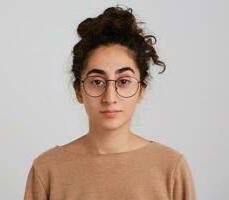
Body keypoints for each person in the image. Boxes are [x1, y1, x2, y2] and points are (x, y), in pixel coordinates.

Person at [24, 5, 197, 200]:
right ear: (79, 91)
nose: (110, 97)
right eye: (97, 82)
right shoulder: (47, 169)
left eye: (123, 81)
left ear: (141, 89)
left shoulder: (171, 167)